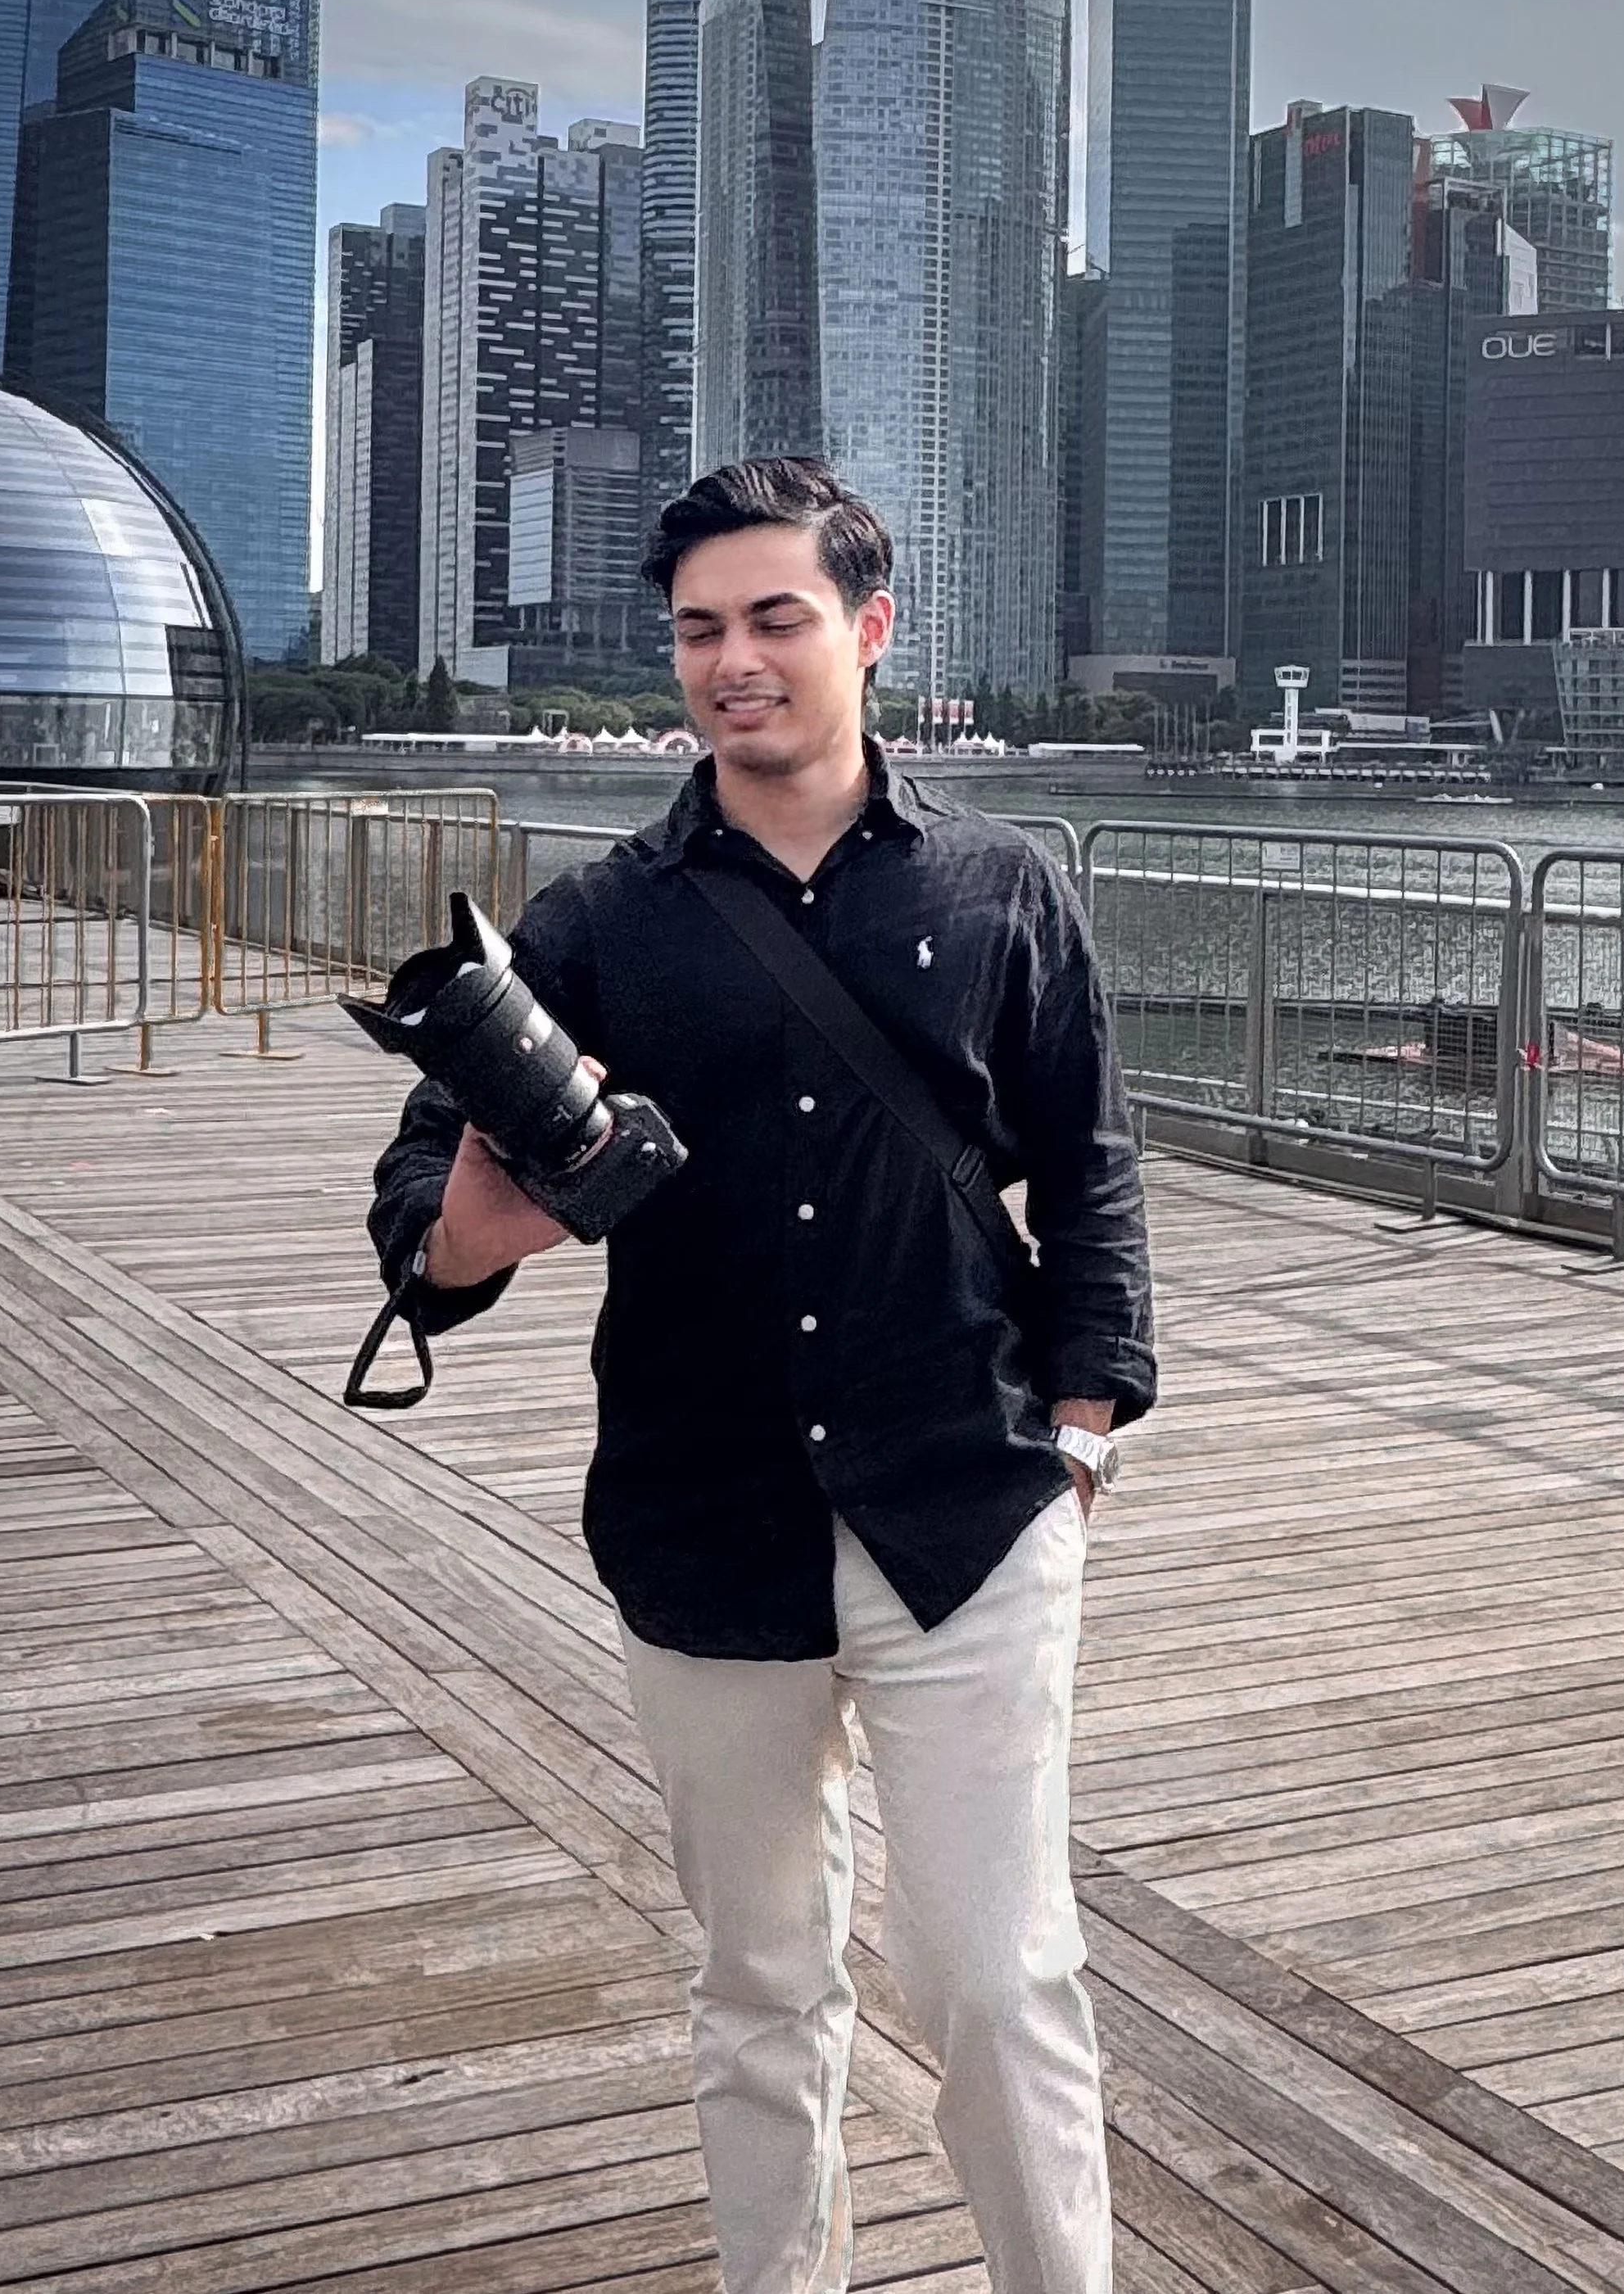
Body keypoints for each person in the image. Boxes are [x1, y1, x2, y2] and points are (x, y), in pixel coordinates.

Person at [369, 457, 1155, 2294]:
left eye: (773, 619)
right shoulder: (588, 927)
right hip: (701, 1516)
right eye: (699, 630)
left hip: (965, 1497)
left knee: (995, 1973)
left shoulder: (1000, 883)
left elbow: (1090, 1155)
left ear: (868, 633)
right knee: (758, 1982)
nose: (732, 661)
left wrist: (1086, 1421)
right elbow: (422, 1206)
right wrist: (480, 1221)